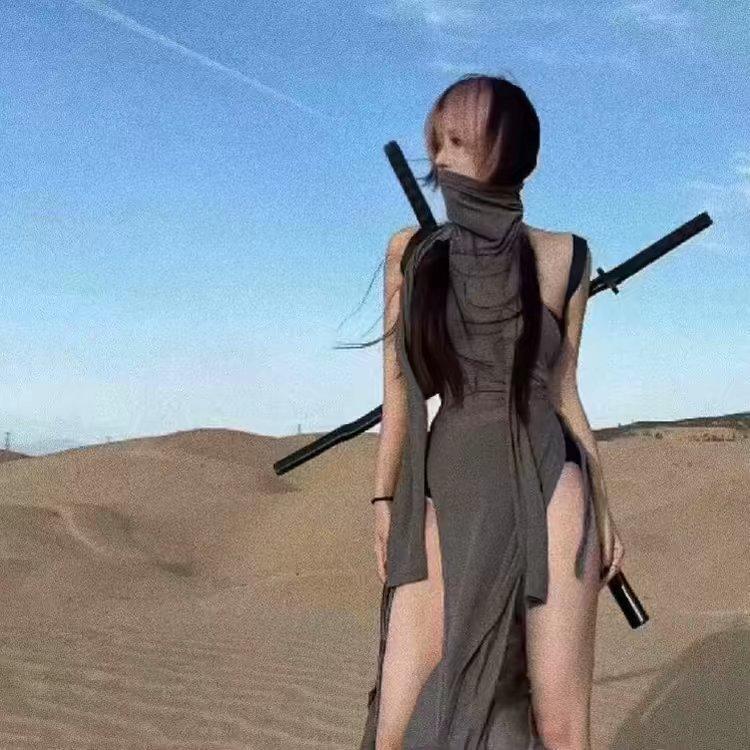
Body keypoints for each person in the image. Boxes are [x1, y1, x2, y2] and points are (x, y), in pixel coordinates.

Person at [358, 74, 625, 749]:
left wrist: (605, 508)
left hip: (551, 479)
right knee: (397, 715)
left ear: (513, 152)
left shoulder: (568, 256)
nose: (441, 157)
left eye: (459, 141)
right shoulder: (413, 251)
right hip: (448, 481)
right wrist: (384, 499)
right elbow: (399, 393)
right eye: (436, 143)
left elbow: (564, 392)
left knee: (562, 725)